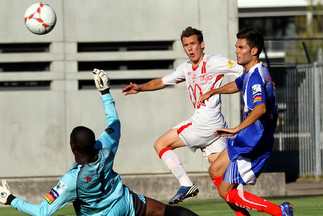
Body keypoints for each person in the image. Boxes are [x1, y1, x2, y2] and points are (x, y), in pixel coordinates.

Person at [0, 69, 199, 216]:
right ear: (94, 142)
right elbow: (114, 123)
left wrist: (10, 199)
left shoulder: (71, 180)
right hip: (125, 202)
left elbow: (43, 211)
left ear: (72, 147)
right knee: (168, 213)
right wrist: (105, 93)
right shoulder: (105, 146)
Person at [122, 26, 244, 205]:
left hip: (206, 119)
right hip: (214, 127)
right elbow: (162, 82)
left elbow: (243, 71)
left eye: (193, 44)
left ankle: (186, 184)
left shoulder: (214, 61)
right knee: (224, 184)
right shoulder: (186, 68)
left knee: (161, 144)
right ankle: (268, 207)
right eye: (186, 45)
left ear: (202, 44)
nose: (190, 48)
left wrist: (261, 81)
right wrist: (140, 88)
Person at [198, 27, 294, 216]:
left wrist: (236, 128)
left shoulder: (257, 77)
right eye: (236, 47)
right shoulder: (252, 72)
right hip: (245, 138)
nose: (236, 51)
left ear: (254, 50)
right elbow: (237, 84)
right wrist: (213, 91)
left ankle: (280, 211)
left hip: (254, 142)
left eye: (241, 47)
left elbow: (260, 108)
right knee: (215, 170)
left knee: (225, 191)